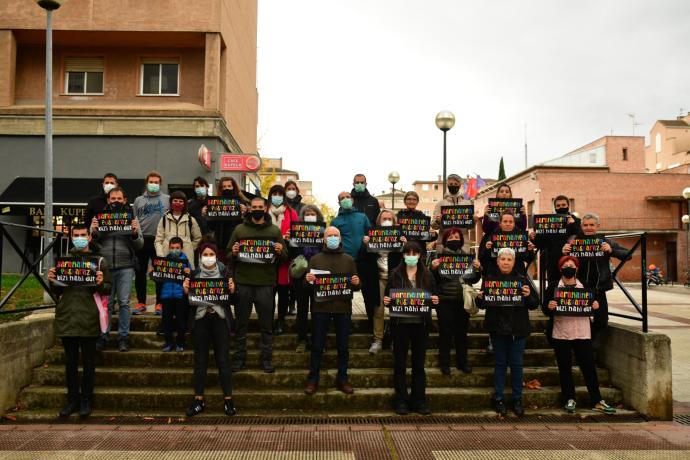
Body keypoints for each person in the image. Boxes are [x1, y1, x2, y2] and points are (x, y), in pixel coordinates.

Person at [48, 225, 110, 418]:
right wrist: (52, 280)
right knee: (70, 362)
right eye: (76, 235)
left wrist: (100, 283)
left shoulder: (99, 262)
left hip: (89, 316)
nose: (80, 238)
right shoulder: (64, 261)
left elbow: (108, 290)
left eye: (83, 235)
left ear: (90, 237)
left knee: (89, 362)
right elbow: (57, 292)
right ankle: (72, 400)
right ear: (71, 237)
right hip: (68, 317)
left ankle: (86, 400)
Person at [543, 256, 616, 414]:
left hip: (583, 332)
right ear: (560, 268)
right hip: (561, 332)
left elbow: (596, 307)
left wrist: (596, 305)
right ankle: (569, 398)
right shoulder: (554, 286)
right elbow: (545, 309)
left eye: (571, 265)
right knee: (565, 368)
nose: (568, 267)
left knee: (589, 367)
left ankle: (597, 400)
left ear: (577, 268)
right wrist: (550, 306)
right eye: (565, 265)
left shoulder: (586, 286)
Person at [476, 247, 539, 417]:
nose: (505, 262)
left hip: (518, 329)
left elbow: (534, 303)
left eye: (509, 259)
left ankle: (517, 399)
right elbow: (481, 304)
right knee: (500, 364)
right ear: (497, 261)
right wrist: (479, 298)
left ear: (513, 262)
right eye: (502, 259)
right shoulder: (489, 279)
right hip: (497, 328)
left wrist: (528, 296)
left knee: (517, 365)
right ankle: (499, 398)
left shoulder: (522, 279)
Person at [228, 196, 287, 374]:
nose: (257, 209)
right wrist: (234, 251)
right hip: (243, 283)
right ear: (250, 208)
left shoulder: (274, 231)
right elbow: (229, 255)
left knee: (266, 325)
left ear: (265, 208)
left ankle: (266, 359)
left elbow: (284, 256)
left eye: (260, 206)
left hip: (266, 284)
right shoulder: (239, 229)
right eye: (254, 207)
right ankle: (239, 358)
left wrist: (279, 251)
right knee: (241, 324)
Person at [383, 241, 440, 415]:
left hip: (421, 325)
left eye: (415, 253)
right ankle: (401, 400)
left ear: (420, 256)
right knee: (400, 364)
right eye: (408, 253)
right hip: (400, 324)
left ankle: (419, 400)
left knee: (418, 365)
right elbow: (387, 296)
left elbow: (434, 296)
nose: (411, 256)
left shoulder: (428, 275)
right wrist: (387, 301)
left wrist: (436, 301)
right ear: (403, 255)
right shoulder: (395, 274)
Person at [304, 226, 361, 395]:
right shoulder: (315, 259)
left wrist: (357, 282)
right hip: (320, 308)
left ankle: (342, 378)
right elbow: (307, 286)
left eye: (336, 235)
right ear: (324, 239)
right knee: (317, 345)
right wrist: (308, 280)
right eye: (330, 235)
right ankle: (313, 378)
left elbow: (356, 286)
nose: (333, 238)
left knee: (343, 346)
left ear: (341, 238)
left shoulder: (349, 260)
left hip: (343, 309)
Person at [183, 243, 237, 417]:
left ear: (216, 256)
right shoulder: (194, 274)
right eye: (205, 254)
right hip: (200, 320)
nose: (208, 256)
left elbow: (233, 299)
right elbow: (189, 302)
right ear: (200, 257)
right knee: (200, 361)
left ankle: (228, 400)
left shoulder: (225, 273)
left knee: (223, 360)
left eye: (211, 253)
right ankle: (198, 400)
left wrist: (232, 290)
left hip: (220, 320)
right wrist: (186, 291)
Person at [562, 212, 629, 343]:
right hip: (578, 289)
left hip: (599, 289)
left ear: (597, 226)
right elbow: (562, 263)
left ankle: (588, 345)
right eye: (585, 225)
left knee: (601, 321)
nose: (588, 228)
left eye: (591, 225)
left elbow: (628, 254)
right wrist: (563, 252)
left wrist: (611, 251)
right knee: (578, 321)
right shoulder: (573, 240)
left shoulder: (605, 241)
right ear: (581, 226)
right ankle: (580, 347)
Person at [91, 187, 143, 352]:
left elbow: (140, 244)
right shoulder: (99, 218)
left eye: (119, 199)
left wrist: (134, 233)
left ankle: (123, 337)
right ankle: (103, 335)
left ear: (125, 200)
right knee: (106, 303)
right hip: (106, 266)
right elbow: (91, 246)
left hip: (125, 266)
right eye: (113, 199)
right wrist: (93, 232)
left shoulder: (131, 218)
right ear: (108, 200)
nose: (116, 202)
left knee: (124, 303)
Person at [429, 228, 482, 375]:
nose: (454, 239)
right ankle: (444, 364)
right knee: (445, 333)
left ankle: (462, 362)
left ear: (461, 240)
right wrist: (433, 268)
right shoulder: (438, 258)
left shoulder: (467, 258)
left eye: (456, 237)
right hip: (444, 301)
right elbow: (432, 280)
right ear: (445, 240)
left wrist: (478, 270)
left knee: (461, 333)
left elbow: (474, 279)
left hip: (462, 301)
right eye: (451, 237)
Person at [332, 191, 378, 332]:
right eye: (342, 198)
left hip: (364, 260)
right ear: (339, 202)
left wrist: (369, 240)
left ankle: (372, 323)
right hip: (345, 261)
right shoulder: (336, 221)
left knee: (368, 293)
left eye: (347, 197)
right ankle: (346, 324)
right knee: (345, 294)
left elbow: (371, 235)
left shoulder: (362, 217)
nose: (345, 200)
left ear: (352, 200)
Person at [363, 209, 406, 354]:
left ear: (394, 222)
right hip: (378, 278)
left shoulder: (399, 237)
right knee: (378, 310)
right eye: (384, 219)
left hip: (395, 279)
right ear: (379, 221)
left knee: (396, 310)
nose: (386, 221)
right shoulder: (372, 236)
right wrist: (365, 244)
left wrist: (405, 246)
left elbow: (410, 258)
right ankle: (378, 339)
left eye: (389, 218)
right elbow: (362, 257)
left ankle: (395, 339)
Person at [529, 195, 581, 304]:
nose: (561, 207)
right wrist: (533, 238)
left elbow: (582, 237)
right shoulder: (548, 221)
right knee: (553, 287)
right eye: (558, 205)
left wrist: (573, 225)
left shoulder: (576, 221)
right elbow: (541, 243)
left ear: (568, 206)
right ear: (554, 207)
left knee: (573, 287)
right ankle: (552, 313)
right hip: (553, 260)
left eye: (563, 205)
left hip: (571, 262)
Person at [132, 171, 170, 315]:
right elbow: (134, 220)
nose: (153, 184)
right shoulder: (138, 200)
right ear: (146, 183)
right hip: (142, 240)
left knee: (160, 273)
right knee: (140, 272)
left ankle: (159, 303)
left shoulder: (167, 199)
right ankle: (141, 302)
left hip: (159, 240)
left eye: (156, 182)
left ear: (160, 184)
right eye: (151, 182)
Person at [267, 184, 299, 335]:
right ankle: (268, 321)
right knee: (269, 293)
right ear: (270, 195)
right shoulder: (265, 211)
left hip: (285, 259)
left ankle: (280, 320)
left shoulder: (291, 213)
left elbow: (297, 234)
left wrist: (289, 237)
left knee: (283, 292)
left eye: (280, 193)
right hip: (266, 260)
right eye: (275, 193)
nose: (277, 196)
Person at [293, 204, 325, 352]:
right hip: (301, 276)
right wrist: (289, 239)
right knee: (302, 309)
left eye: (313, 214)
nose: (310, 216)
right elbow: (291, 253)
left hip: (319, 275)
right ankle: (302, 339)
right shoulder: (297, 231)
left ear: (318, 216)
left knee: (318, 310)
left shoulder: (323, 232)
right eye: (307, 214)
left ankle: (317, 340)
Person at [154, 237, 191, 352]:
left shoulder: (185, 263)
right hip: (166, 296)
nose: (174, 250)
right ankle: (168, 342)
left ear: (181, 248)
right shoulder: (164, 262)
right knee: (166, 321)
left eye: (177, 248)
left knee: (181, 322)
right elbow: (158, 279)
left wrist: (188, 273)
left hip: (180, 297)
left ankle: (180, 342)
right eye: (172, 248)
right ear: (169, 248)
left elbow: (190, 280)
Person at [154, 190, 202, 271]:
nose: (177, 203)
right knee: (168, 283)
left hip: (186, 259)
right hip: (167, 258)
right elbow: (158, 240)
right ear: (171, 202)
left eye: (180, 201)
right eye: (175, 201)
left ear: (184, 203)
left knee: (185, 282)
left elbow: (198, 238)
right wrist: (161, 255)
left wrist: (189, 247)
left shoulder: (191, 219)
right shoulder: (164, 219)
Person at [479, 211, 535, 277]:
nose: (508, 224)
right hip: (495, 275)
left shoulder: (521, 236)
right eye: (505, 221)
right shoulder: (492, 236)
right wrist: (487, 249)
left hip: (517, 275)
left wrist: (530, 250)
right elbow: (483, 259)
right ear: (500, 223)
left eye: (510, 222)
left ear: (514, 223)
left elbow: (529, 260)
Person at [208, 176, 249, 262]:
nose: (227, 189)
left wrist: (245, 213)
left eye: (229, 186)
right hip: (221, 244)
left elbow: (248, 224)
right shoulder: (215, 203)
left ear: (233, 187)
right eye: (224, 187)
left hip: (237, 244)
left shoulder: (241, 202)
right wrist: (207, 215)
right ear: (220, 189)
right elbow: (211, 227)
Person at [432, 174, 473, 252]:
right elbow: (433, 226)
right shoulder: (440, 204)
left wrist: (474, 220)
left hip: (463, 244)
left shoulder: (467, 203)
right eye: (451, 184)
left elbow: (471, 227)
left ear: (460, 185)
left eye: (455, 184)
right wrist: (437, 221)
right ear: (447, 185)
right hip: (444, 244)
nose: (453, 186)